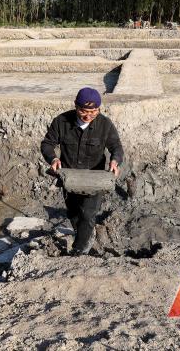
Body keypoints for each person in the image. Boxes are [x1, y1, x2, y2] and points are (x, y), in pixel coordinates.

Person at [41, 87, 124, 255]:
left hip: (94, 179)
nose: (88, 116)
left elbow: (116, 146)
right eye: (84, 111)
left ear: (99, 109)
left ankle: (78, 250)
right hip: (70, 178)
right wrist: (53, 159)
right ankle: (86, 235)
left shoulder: (104, 124)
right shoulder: (61, 122)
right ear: (76, 106)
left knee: (88, 213)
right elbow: (47, 143)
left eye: (93, 112)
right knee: (73, 213)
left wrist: (115, 161)